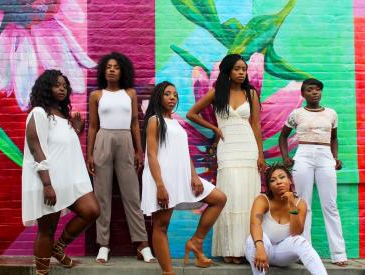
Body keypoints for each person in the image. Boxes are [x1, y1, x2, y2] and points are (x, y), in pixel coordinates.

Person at [141, 81, 227, 275]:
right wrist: (160, 185)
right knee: (161, 225)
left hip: (183, 176)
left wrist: (194, 176)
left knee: (219, 198)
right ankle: (168, 272)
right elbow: (152, 155)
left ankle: (196, 242)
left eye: (175, 94)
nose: (172, 97)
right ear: (158, 97)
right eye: (167, 94)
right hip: (162, 178)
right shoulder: (155, 120)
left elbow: (183, 152)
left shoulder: (175, 122)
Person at [186, 54, 264, 263]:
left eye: (244, 69)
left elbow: (256, 125)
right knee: (230, 196)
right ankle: (228, 249)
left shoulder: (251, 93)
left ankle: (243, 250)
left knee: (247, 197)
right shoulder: (217, 93)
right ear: (228, 71)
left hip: (248, 149)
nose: (241, 72)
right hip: (227, 148)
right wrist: (214, 128)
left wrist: (260, 155)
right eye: (237, 69)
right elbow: (191, 114)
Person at [22, 70, 100, 275]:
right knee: (47, 230)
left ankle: (59, 247)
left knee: (91, 210)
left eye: (64, 85)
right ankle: (42, 272)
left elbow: (62, 146)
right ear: (46, 87)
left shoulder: (62, 115)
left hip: (69, 180)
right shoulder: (39, 113)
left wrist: (76, 130)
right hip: (49, 182)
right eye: (57, 85)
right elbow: (36, 148)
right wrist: (47, 184)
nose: (62, 88)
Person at [87, 52, 155, 263]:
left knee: (132, 195)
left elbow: (135, 123)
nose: (112, 70)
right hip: (103, 139)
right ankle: (103, 245)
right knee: (102, 196)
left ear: (122, 70)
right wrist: (89, 154)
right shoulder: (97, 95)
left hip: (126, 139)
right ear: (103, 71)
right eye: (108, 67)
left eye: (116, 67)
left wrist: (138, 150)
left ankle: (142, 244)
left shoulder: (130, 94)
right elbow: (92, 126)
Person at [279, 78, 348, 266]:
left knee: (330, 205)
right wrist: (286, 157)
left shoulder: (331, 114)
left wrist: (335, 158)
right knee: (303, 204)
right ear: (303, 94)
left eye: (318, 90)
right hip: (303, 155)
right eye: (310, 90)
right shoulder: (296, 114)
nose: (315, 93)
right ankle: (304, 252)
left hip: (325, 156)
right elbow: (283, 137)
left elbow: (334, 139)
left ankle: (339, 254)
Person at [245, 163, 327, 275]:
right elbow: (255, 224)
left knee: (301, 241)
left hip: (282, 253)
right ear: (269, 186)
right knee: (253, 239)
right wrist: (260, 248)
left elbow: (296, 232)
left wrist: (292, 205)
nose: (278, 182)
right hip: (262, 249)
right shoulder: (262, 200)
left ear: (290, 180)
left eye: (282, 177)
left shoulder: (300, 204)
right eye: (273, 180)